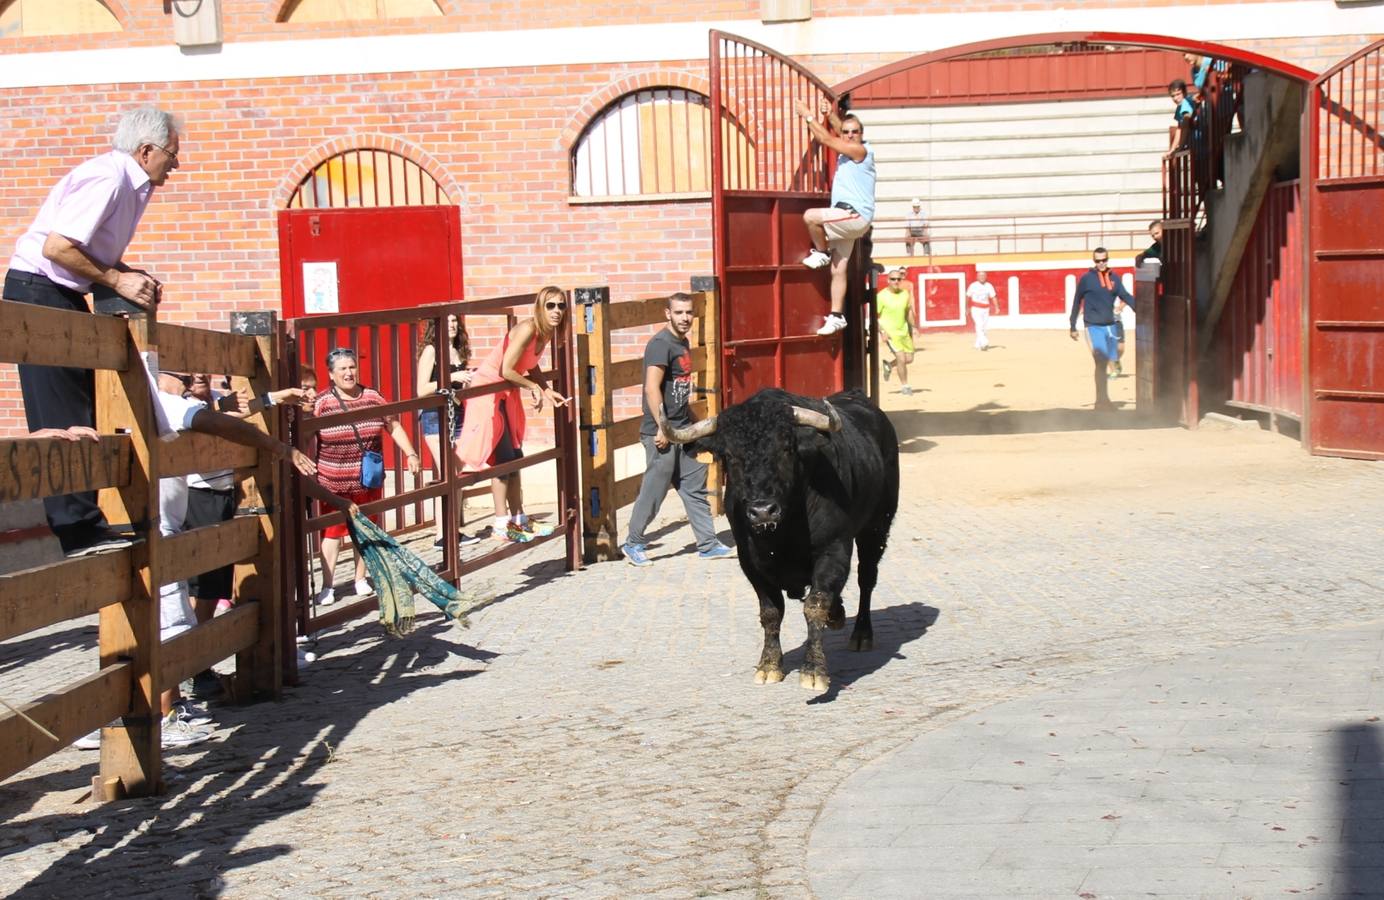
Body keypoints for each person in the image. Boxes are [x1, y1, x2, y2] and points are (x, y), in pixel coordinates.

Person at [78, 366, 317, 751]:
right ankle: (161, 716)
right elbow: (216, 420)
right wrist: (280, 448)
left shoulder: (128, 403)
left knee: (137, 622)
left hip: (133, 528)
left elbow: (219, 411)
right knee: (170, 623)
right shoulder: (159, 401)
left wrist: (270, 399)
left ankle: (124, 713)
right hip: (156, 528)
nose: (188, 383)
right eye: (182, 377)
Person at [5, 104, 180, 558]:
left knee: (84, 409)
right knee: (63, 415)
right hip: (39, 291)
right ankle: (77, 531)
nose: (175, 164)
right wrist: (118, 280)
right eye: (171, 154)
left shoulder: (129, 182)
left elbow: (84, 250)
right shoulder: (108, 178)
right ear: (146, 150)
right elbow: (57, 247)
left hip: (59, 293)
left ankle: (88, 525)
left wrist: (127, 273)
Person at [620, 293, 734, 567]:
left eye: (689, 313)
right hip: (661, 433)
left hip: (683, 431)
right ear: (667, 314)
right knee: (654, 491)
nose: (685, 318)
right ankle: (633, 543)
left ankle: (708, 544)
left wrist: (696, 425)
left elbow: (679, 392)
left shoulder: (682, 343)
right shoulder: (660, 345)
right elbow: (651, 388)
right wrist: (663, 428)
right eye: (679, 312)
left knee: (694, 487)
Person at [455, 286, 570, 544]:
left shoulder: (547, 332)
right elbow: (506, 369)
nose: (556, 311)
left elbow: (531, 364)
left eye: (561, 306)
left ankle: (519, 519)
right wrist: (533, 388)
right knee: (504, 458)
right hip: (488, 391)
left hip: (506, 392)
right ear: (540, 307)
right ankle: (501, 524)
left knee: (516, 455)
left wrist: (546, 389)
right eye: (550, 305)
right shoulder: (529, 328)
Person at [311, 347, 422, 605]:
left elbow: (393, 425)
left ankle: (360, 578)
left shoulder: (373, 397)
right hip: (333, 481)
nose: (349, 373)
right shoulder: (322, 402)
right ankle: (328, 586)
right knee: (332, 533)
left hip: (367, 479)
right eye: (342, 369)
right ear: (331, 374)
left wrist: (411, 453)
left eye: (352, 367)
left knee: (365, 529)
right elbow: (307, 436)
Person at [795, 97, 876, 337]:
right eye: (847, 132)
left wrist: (808, 115)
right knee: (838, 269)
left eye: (855, 132)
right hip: (847, 216)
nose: (849, 135)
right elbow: (839, 132)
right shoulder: (850, 144)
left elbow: (827, 139)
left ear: (862, 134)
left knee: (811, 217)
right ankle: (837, 316)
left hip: (852, 214)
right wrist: (830, 115)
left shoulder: (860, 151)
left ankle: (821, 252)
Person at [416, 314, 480, 548]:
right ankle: (442, 535)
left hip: (457, 412)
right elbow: (421, 389)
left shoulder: (458, 350)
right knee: (447, 473)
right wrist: (452, 376)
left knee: (458, 473)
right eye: (447, 322)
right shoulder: (431, 351)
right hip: (435, 415)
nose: (452, 325)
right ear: (436, 326)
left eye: (455, 321)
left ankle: (453, 529)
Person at [1069, 247, 1135, 411]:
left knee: (1112, 358)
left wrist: (1140, 309)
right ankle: (1101, 400)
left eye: (1104, 260)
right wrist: (1072, 325)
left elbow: (1125, 296)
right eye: (1098, 261)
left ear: (1107, 259)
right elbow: (1077, 301)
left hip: (1110, 325)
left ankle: (1103, 399)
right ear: (1094, 261)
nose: (1101, 263)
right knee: (1100, 363)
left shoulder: (1114, 278)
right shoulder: (1086, 279)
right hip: (1093, 326)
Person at [876, 268, 920, 396]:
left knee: (909, 359)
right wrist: (882, 331)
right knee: (901, 357)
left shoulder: (905, 294)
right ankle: (905, 386)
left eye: (898, 279)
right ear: (888, 280)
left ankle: (889, 365)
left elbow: (907, 312)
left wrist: (914, 327)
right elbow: (874, 316)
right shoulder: (881, 296)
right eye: (893, 279)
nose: (896, 281)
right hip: (890, 332)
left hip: (904, 331)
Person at [966, 270, 998, 351]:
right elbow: (967, 297)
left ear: (986, 277)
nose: (982, 277)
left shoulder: (989, 286)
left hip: (986, 309)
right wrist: (966, 308)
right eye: (980, 276)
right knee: (979, 325)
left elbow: (993, 297)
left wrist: (997, 307)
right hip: (976, 308)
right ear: (977, 277)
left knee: (983, 326)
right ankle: (984, 343)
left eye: (983, 275)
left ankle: (978, 344)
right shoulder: (973, 286)